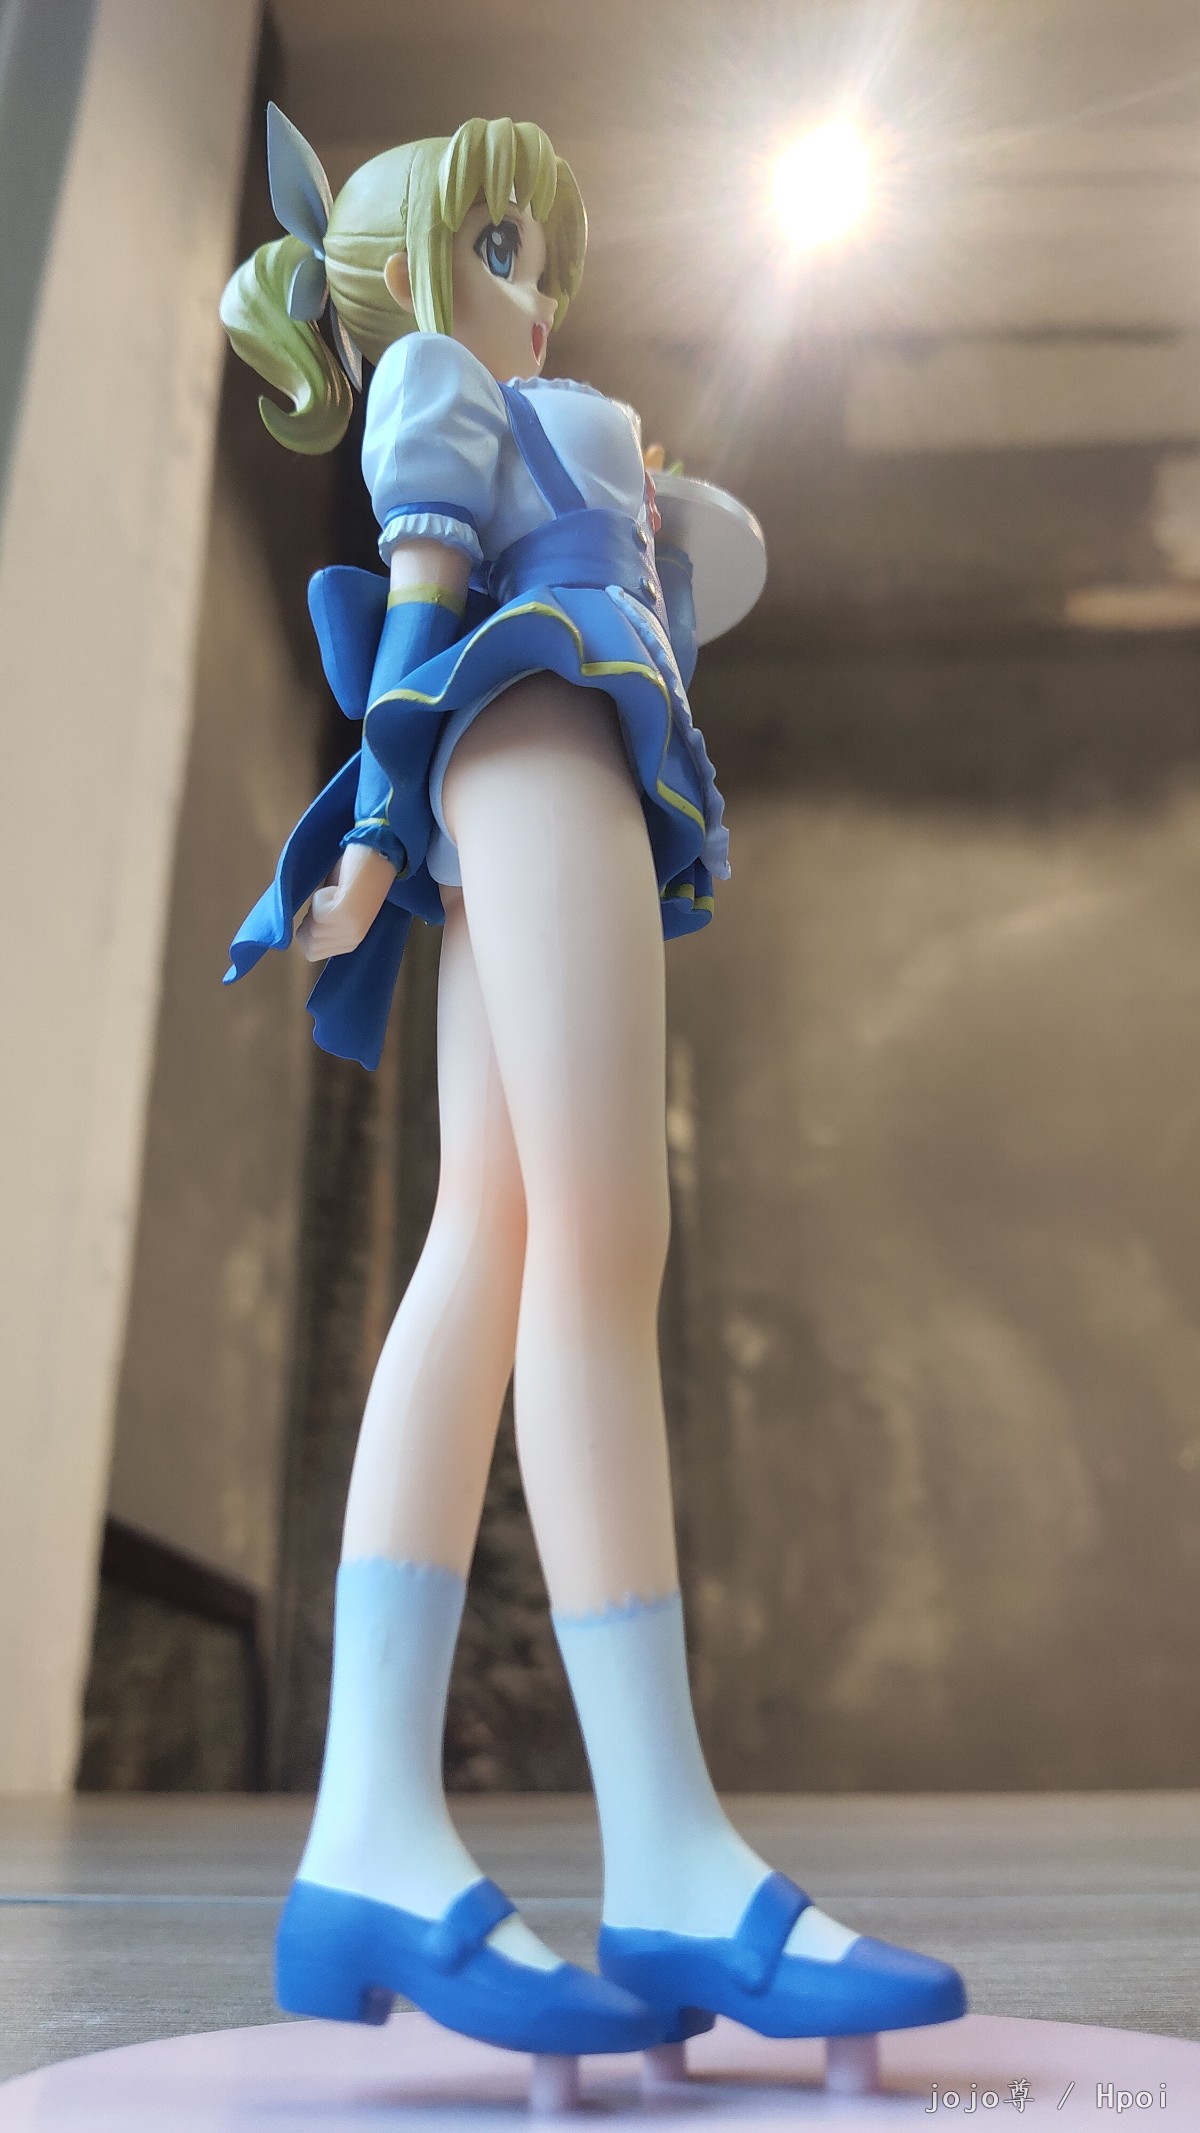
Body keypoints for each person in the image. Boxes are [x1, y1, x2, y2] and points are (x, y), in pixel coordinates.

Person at [221, 105, 966, 2059]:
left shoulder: (539, 407)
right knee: (599, 1239)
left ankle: (369, 1836)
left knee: (493, 1238)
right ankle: (668, 1850)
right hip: (531, 731)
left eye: (542, 260)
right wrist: (370, 826)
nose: (534, 294)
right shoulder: (446, 382)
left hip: (540, 742)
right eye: (499, 252)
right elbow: (420, 586)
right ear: (409, 275)